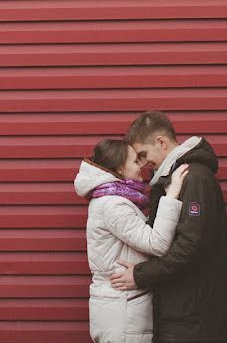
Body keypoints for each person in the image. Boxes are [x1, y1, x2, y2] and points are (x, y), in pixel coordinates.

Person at [110, 111, 227, 343]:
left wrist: (141, 275)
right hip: (185, 314)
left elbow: (190, 247)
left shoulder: (194, 177)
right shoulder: (170, 178)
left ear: (161, 142)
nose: (142, 165)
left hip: (199, 322)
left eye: (143, 155)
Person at [74, 137, 189, 343]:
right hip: (122, 311)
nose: (141, 167)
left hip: (120, 306)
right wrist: (171, 195)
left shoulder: (110, 200)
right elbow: (157, 244)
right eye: (135, 161)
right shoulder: (113, 205)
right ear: (120, 167)